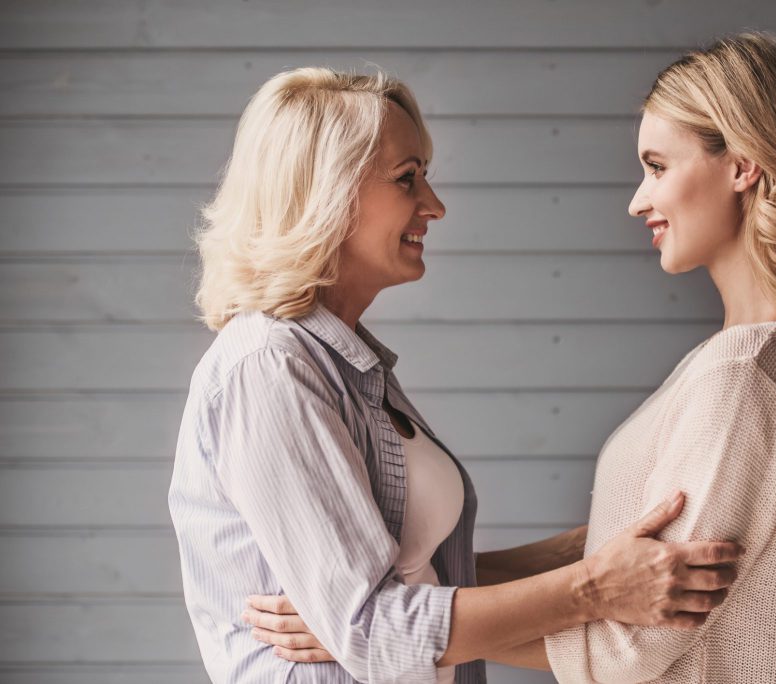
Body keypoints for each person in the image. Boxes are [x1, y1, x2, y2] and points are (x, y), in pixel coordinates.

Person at [251, 33, 776, 683]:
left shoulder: (744, 372)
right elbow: (625, 572)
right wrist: (382, 611)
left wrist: (382, 632)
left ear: (743, 164)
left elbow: (632, 645)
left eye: (657, 166)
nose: (638, 200)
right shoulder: (774, 358)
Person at [168, 67, 743, 684]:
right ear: (323, 190)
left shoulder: (347, 364)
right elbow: (372, 628)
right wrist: (594, 587)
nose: (434, 206)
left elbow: (417, 578)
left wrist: (579, 554)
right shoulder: (270, 368)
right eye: (406, 178)